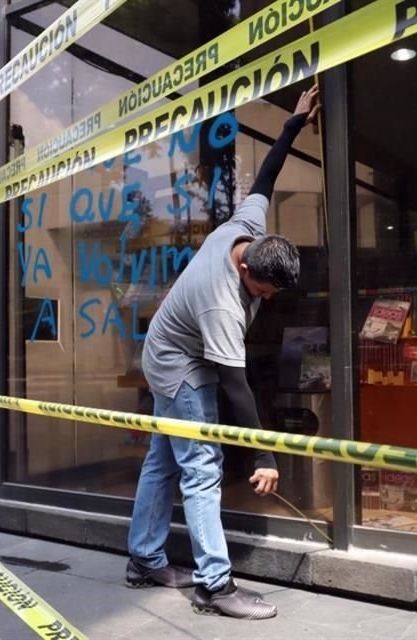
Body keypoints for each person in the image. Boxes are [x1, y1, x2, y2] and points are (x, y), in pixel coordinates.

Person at [126, 85, 322, 620]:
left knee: (163, 459)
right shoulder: (222, 305)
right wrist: (262, 454)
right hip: (178, 365)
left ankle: (144, 560)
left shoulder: (246, 229)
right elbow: (235, 385)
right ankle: (214, 585)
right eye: (264, 291)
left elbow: (265, 179)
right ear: (245, 269)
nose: (268, 299)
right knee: (202, 466)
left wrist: (293, 123)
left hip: (172, 348)